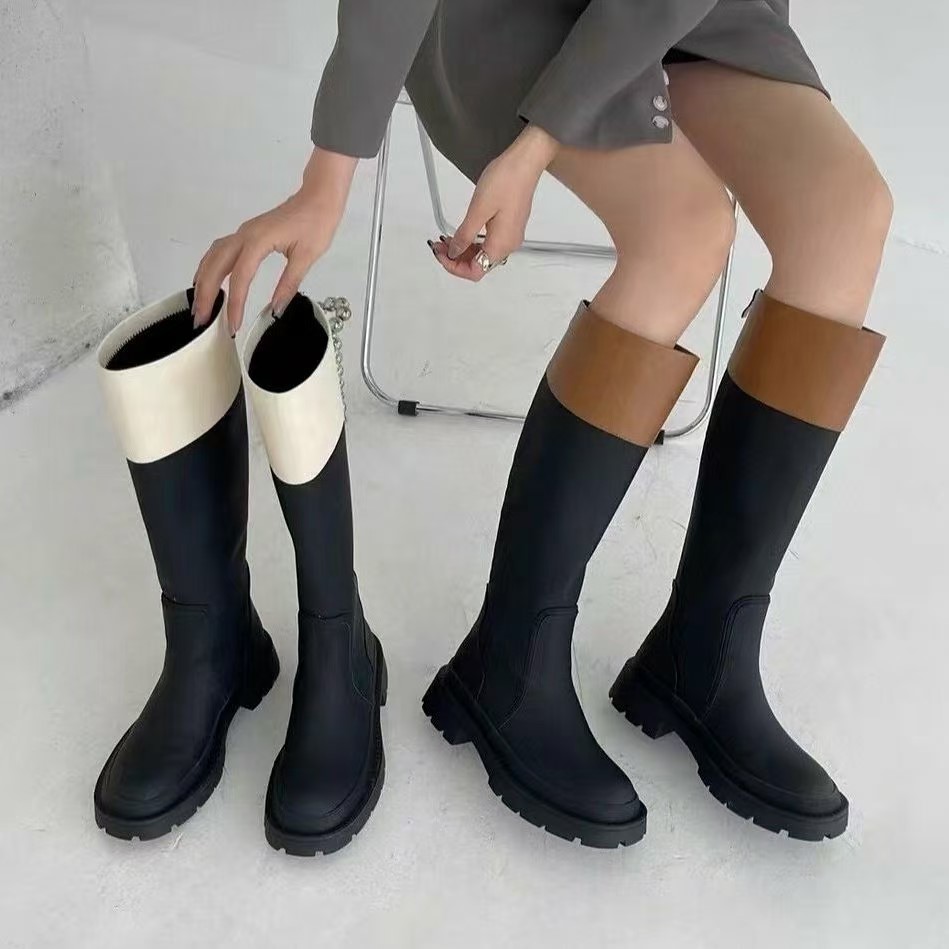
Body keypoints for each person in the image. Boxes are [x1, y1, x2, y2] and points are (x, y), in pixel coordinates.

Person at [186, 0, 890, 849]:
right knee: (683, 234)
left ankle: (706, 651)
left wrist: (536, 148)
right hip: (503, 19)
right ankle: (510, 662)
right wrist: (326, 177)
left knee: (846, 216)